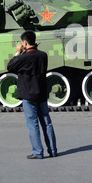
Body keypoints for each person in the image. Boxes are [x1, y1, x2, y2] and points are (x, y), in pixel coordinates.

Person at [7, 31, 57, 159]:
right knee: (47, 122)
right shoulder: (43, 55)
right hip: (41, 94)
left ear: (24, 42)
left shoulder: (23, 58)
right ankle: (52, 150)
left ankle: (38, 152)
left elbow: (10, 66)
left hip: (28, 96)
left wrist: (18, 52)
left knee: (32, 124)